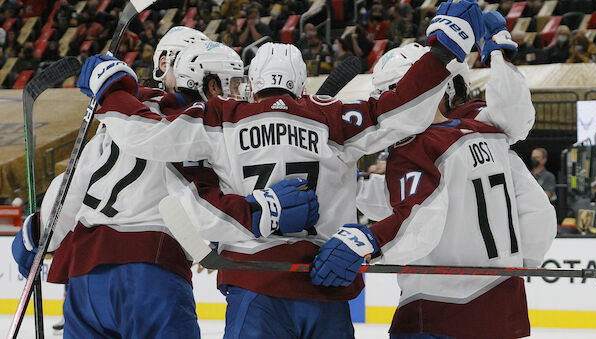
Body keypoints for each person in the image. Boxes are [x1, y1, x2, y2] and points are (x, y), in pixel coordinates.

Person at [78, 5, 483, 333]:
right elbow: (401, 111)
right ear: (302, 82)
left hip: (253, 283)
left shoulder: (221, 115)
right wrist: (442, 54)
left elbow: (151, 137)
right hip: (325, 284)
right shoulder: (336, 117)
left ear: (252, 82)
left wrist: (110, 94)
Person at [12, 32, 318, 337]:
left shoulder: (125, 114)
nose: (240, 94)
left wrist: (39, 233)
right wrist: (261, 211)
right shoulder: (200, 126)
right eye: (234, 83)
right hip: (149, 272)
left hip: (85, 280)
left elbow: (73, 183)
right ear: (212, 85)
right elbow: (199, 204)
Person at [316, 7, 556, 338]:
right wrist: (511, 268)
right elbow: (539, 214)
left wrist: (370, 240)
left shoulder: (416, 149)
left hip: (437, 312)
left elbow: (416, 221)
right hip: (505, 311)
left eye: (391, 96)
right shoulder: (491, 135)